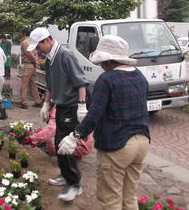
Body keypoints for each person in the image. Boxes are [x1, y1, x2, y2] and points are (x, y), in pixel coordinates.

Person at [58, 35, 150, 209]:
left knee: (110, 199)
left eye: (101, 62)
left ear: (108, 61)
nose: (100, 65)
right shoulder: (139, 76)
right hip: (142, 142)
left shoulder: (107, 79)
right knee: (130, 198)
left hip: (118, 145)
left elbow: (94, 115)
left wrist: (74, 136)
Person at [28, 27, 87, 202]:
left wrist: (82, 105)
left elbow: (80, 82)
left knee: (65, 142)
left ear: (47, 40)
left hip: (71, 105)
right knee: (58, 141)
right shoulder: (49, 59)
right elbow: (50, 86)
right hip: (60, 105)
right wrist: (46, 104)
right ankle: (65, 175)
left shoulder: (65, 55)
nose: (38, 51)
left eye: (38, 47)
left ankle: (75, 184)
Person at [25, 105, 93, 159]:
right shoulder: (72, 101)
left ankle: (68, 157)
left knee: (51, 141)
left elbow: (51, 129)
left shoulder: (61, 107)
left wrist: (31, 139)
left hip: (80, 144)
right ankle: (75, 154)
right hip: (85, 142)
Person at [20, 28, 42, 109]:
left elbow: (28, 53)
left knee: (24, 85)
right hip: (32, 66)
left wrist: (35, 62)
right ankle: (38, 101)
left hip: (28, 65)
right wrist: (35, 62)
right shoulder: (32, 42)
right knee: (33, 84)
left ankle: (24, 103)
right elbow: (36, 53)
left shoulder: (25, 42)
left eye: (21, 33)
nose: (20, 34)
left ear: (24, 33)